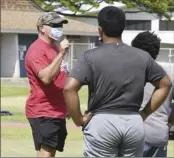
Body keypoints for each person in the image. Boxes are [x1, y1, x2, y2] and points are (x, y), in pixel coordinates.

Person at [63, 6, 172, 157]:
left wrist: (79, 119)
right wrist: (145, 113)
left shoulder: (89, 56)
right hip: (134, 123)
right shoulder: (142, 56)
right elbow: (165, 84)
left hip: (102, 122)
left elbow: (69, 88)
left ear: (100, 30)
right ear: (123, 28)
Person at [25, 12, 70, 157]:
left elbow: (62, 77)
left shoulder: (55, 47)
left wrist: (67, 103)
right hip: (43, 109)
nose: (59, 28)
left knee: (51, 152)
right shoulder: (36, 49)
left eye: (60, 25)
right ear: (41, 28)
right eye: (55, 25)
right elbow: (46, 78)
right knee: (47, 153)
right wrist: (62, 54)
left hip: (57, 109)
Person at [131, 31, 174, 157]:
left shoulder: (128, 71)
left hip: (133, 133)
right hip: (159, 134)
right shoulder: (169, 74)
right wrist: (170, 123)